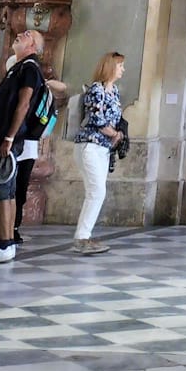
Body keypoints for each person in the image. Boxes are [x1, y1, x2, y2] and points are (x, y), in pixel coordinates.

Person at [0, 29, 48, 264]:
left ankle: (3, 244)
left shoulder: (30, 68)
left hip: (8, 139)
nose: (20, 34)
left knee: (2, 192)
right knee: (7, 191)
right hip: (4, 137)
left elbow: (23, 105)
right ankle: (7, 242)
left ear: (33, 44)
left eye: (27, 33)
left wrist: (10, 137)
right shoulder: (19, 67)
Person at [73, 51, 126, 254]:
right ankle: (82, 238)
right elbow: (96, 118)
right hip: (90, 146)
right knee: (97, 192)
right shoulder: (97, 89)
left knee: (95, 192)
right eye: (120, 66)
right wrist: (115, 134)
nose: (123, 70)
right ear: (111, 66)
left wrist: (117, 135)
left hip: (103, 148)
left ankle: (84, 236)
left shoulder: (114, 91)